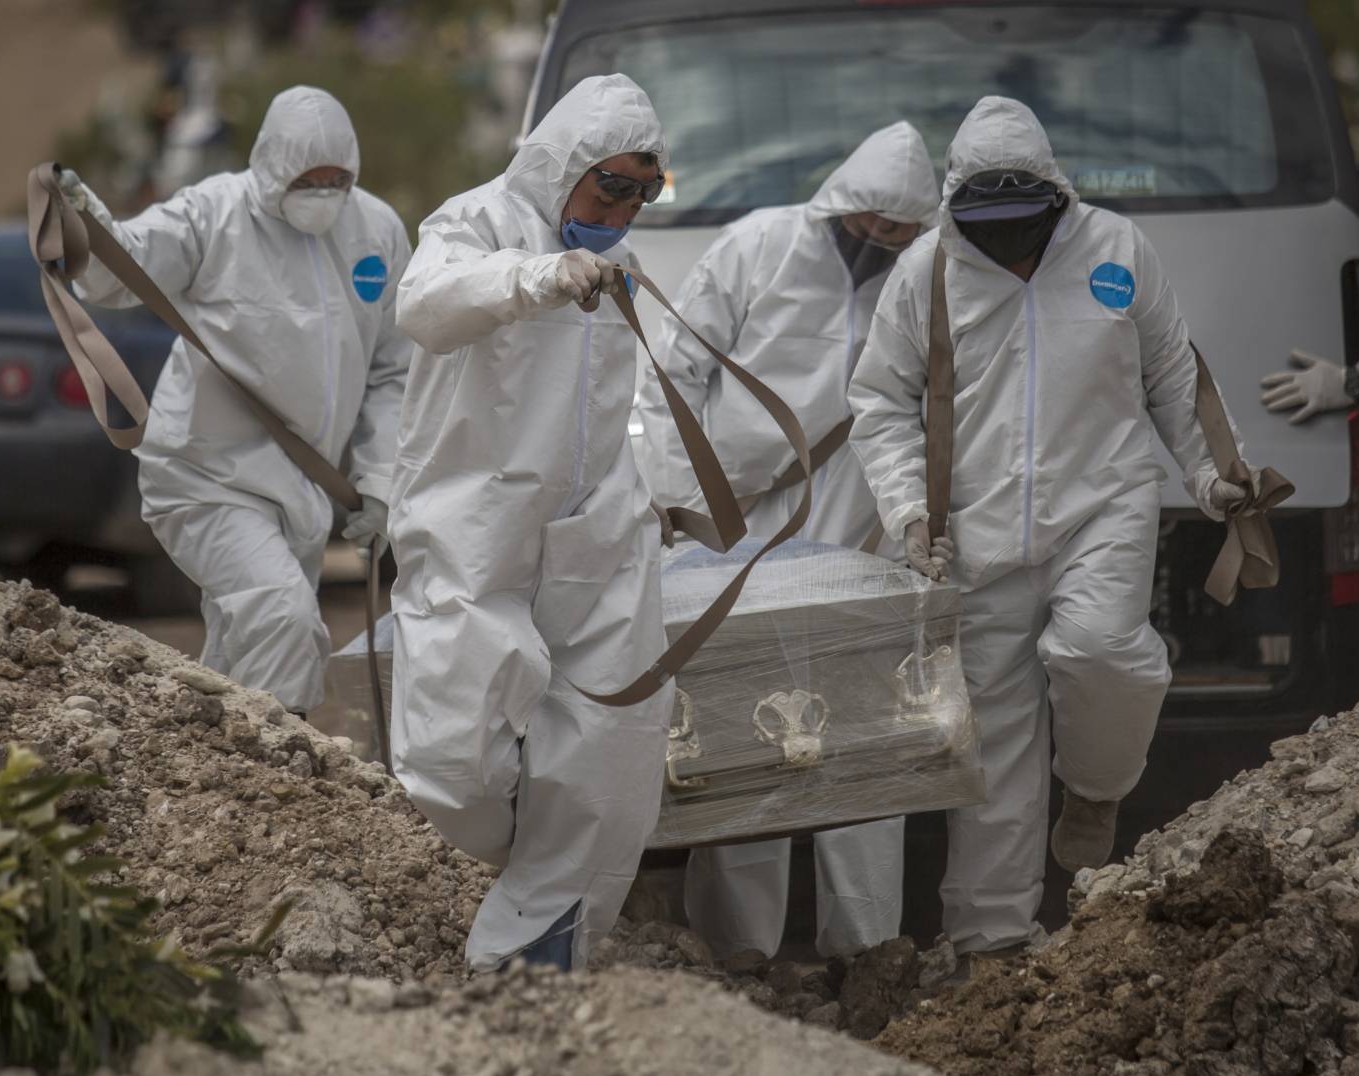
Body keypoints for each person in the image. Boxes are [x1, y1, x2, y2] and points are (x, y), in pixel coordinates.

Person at [849, 96, 1261, 965]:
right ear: (959, 205)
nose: (1009, 243)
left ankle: (1097, 788)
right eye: (987, 227)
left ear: (1056, 198)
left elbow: (1173, 377)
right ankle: (989, 938)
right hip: (978, 528)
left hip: (1101, 504)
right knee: (992, 741)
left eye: (1023, 224)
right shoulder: (926, 271)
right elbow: (880, 401)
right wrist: (908, 511)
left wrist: (1209, 473)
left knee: (1102, 649)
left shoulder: (1117, 251)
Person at [386, 74, 673, 973]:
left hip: (598, 545)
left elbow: (640, 405)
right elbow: (426, 306)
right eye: (609, 185)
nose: (623, 208)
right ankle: (527, 885)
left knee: (606, 772)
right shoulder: (474, 223)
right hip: (476, 535)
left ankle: (533, 971)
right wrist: (536, 277)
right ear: (561, 165)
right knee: (452, 767)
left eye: (641, 192)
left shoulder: (625, 270)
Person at [637, 121, 941, 959]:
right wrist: (669, 495)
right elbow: (675, 372)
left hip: (861, 537)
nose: (878, 240)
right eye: (867, 222)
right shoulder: (757, 247)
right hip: (735, 536)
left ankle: (868, 953)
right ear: (839, 202)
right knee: (741, 740)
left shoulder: (928, 275)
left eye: (899, 228)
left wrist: (920, 515)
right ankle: (740, 958)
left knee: (866, 747)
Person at [62, 86, 412, 716]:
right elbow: (122, 271)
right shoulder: (213, 215)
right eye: (310, 177)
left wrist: (380, 480)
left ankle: (208, 786)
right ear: (274, 163)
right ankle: (285, 772)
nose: (325, 191)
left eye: (338, 178)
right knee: (285, 620)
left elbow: (393, 370)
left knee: (240, 659)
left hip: (301, 493)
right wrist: (82, 224)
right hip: (206, 477)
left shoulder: (376, 230)